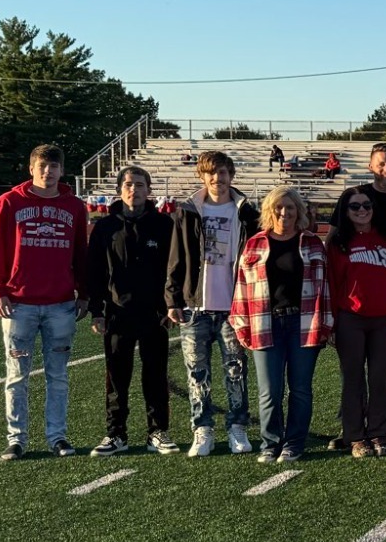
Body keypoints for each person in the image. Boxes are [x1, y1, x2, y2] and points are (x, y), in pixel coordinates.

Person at [166, 149, 260, 457]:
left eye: (222, 173)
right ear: (202, 176)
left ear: (231, 175)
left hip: (235, 305)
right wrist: (174, 297)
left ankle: (237, 427)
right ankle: (202, 428)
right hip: (196, 305)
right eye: (211, 173)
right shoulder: (189, 210)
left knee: (236, 369)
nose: (217, 179)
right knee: (196, 370)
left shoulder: (246, 211)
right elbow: (177, 256)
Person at [228, 186, 333, 464]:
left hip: (304, 322)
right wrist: (241, 325)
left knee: (300, 388)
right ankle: (270, 443)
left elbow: (325, 287)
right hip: (265, 323)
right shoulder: (254, 244)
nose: (284, 213)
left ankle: (294, 443)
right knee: (270, 390)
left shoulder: (312, 243)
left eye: (290, 208)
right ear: (269, 210)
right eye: (279, 208)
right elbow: (241, 287)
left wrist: (327, 324)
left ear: (298, 211)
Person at [85, 165, 178, 457]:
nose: (133, 189)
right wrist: (96, 311)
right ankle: (116, 434)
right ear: (118, 189)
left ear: (149, 190)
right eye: (128, 184)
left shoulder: (164, 225)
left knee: (155, 374)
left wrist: (169, 306)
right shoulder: (105, 227)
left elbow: (173, 270)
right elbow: (95, 272)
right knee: (116, 375)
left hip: (154, 314)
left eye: (139, 184)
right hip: (117, 313)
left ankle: (157, 432)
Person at [323, 184, 386, 457]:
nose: (362, 210)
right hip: (350, 319)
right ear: (345, 210)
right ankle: (355, 437)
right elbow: (331, 283)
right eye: (355, 206)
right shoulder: (339, 243)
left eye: (367, 205)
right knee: (352, 379)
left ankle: (379, 434)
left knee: (380, 379)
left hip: (383, 320)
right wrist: (331, 322)